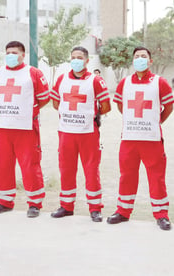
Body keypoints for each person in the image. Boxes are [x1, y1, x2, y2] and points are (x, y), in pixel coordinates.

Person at [107, 46, 174, 230]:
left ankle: (162, 215)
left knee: (156, 177)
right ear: (133, 61)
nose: (140, 59)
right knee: (126, 176)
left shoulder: (160, 83)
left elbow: (168, 107)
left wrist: (155, 121)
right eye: (137, 56)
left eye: (144, 56)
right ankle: (123, 211)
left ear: (150, 61)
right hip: (129, 138)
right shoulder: (124, 83)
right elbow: (121, 107)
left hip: (152, 139)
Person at [0, 41, 50, 218]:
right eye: (8, 52)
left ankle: (35, 204)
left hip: (26, 128)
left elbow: (43, 99)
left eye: (14, 52)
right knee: (3, 165)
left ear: (23, 55)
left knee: (30, 165)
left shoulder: (33, 73)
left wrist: (29, 112)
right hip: (3, 128)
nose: (10, 55)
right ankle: (5, 201)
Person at [50, 46, 111, 222]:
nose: (76, 60)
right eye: (73, 57)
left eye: (79, 57)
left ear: (86, 60)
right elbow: (55, 102)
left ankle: (95, 209)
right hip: (66, 133)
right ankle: (66, 206)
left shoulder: (95, 80)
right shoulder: (62, 79)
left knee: (91, 170)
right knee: (66, 170)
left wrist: (92, 116)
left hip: (88, 133)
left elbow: (106, 106)